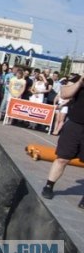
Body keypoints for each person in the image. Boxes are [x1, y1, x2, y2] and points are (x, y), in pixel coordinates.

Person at [41, 73, 84, 210]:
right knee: (62, 158)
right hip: (75, 125)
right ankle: (49, 186)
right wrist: (80, 82)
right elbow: (64, 94)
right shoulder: (79, 79)